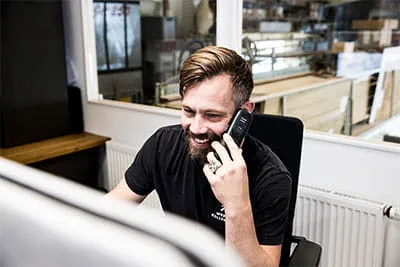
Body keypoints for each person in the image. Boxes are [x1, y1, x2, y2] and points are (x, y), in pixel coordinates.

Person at [106, 46, 291, 267]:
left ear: (244, 113)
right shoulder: (162, 144)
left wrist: (236, 204)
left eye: (212, 115)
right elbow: (111, 208)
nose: (196, 128)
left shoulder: (271, 177)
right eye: (188, 111)